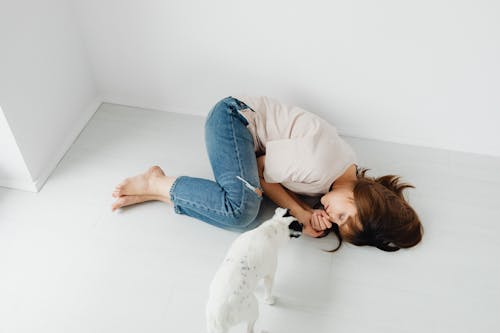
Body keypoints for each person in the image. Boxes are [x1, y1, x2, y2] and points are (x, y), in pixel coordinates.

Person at [111, 96, 423, 251]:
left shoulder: (343, 172)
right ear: (361, 198)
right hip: (232, 121)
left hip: (250, 134)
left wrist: (311, 214)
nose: (331, 216)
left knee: (251, 208)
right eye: (342, 217)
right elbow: (262, 172)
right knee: (241, 211)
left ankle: (157, 191)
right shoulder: (319, 166)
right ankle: (157, 182)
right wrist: (301, 213)